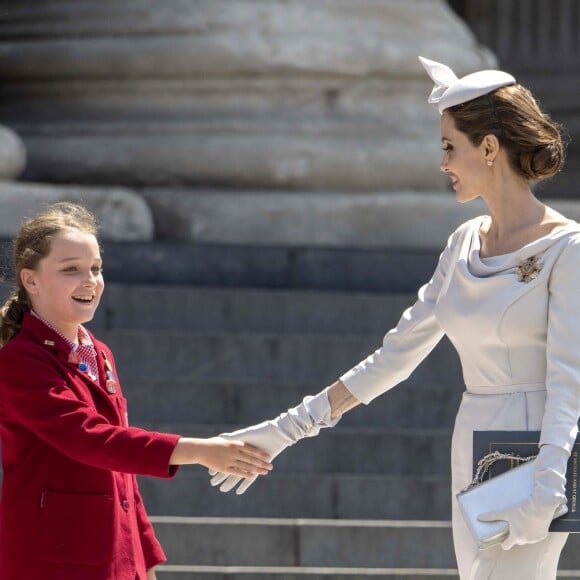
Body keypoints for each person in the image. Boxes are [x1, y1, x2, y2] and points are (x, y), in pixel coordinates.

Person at [207, 56, 580, 580]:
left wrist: (549, 481)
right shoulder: (463, 241)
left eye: (450, 147)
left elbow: (570, 381)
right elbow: (396, 355)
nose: (443, 162)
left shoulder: (568, 247)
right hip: (472, 436)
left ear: (490, 148)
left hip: (540, 450)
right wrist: (288, 428)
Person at [0, 202, 272, 580]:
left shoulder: (99, 353)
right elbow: (90, 439)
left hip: (112, 557)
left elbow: (122, 470)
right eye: (71, 270)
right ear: (30, 280)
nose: (90, 280)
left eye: (95, 268)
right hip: (51, 560)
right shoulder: (18, 361)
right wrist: (198, 451)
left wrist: (143, 558)